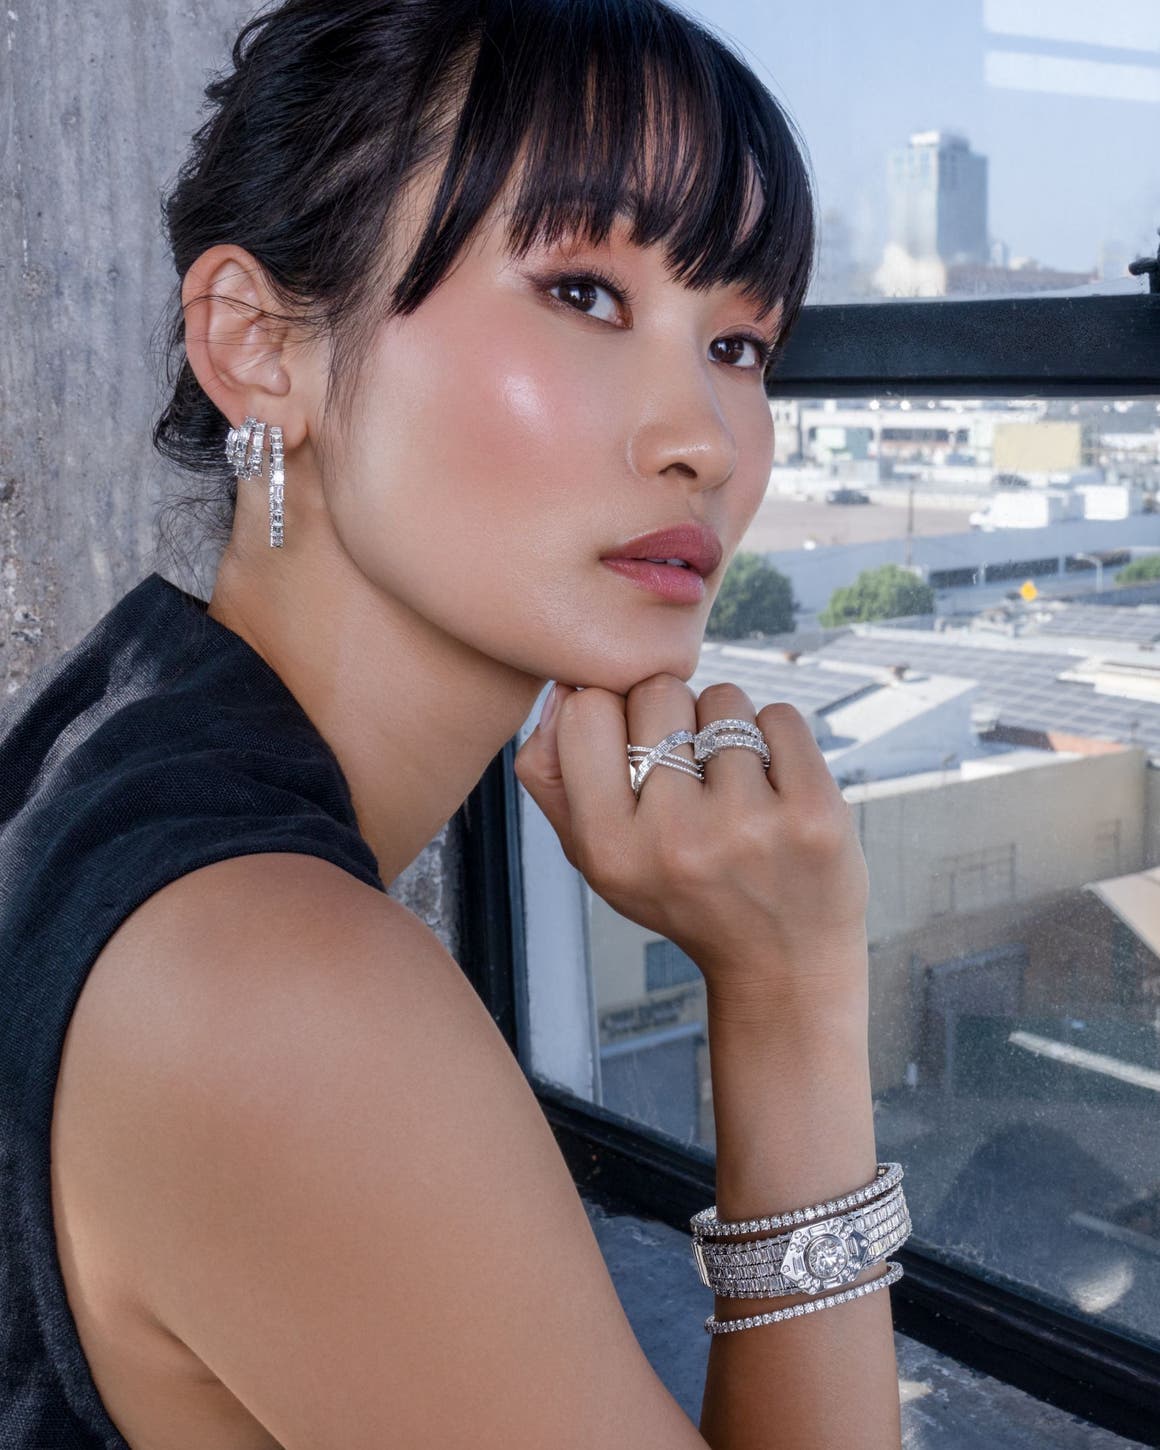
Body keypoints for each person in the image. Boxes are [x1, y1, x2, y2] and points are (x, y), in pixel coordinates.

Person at [0, 1, 906, 1445]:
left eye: (740, 342)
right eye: (587, 294)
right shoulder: (278, 987)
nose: (705, 438)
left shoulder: (119, 731)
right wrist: (789, 1000)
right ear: (261, 345)